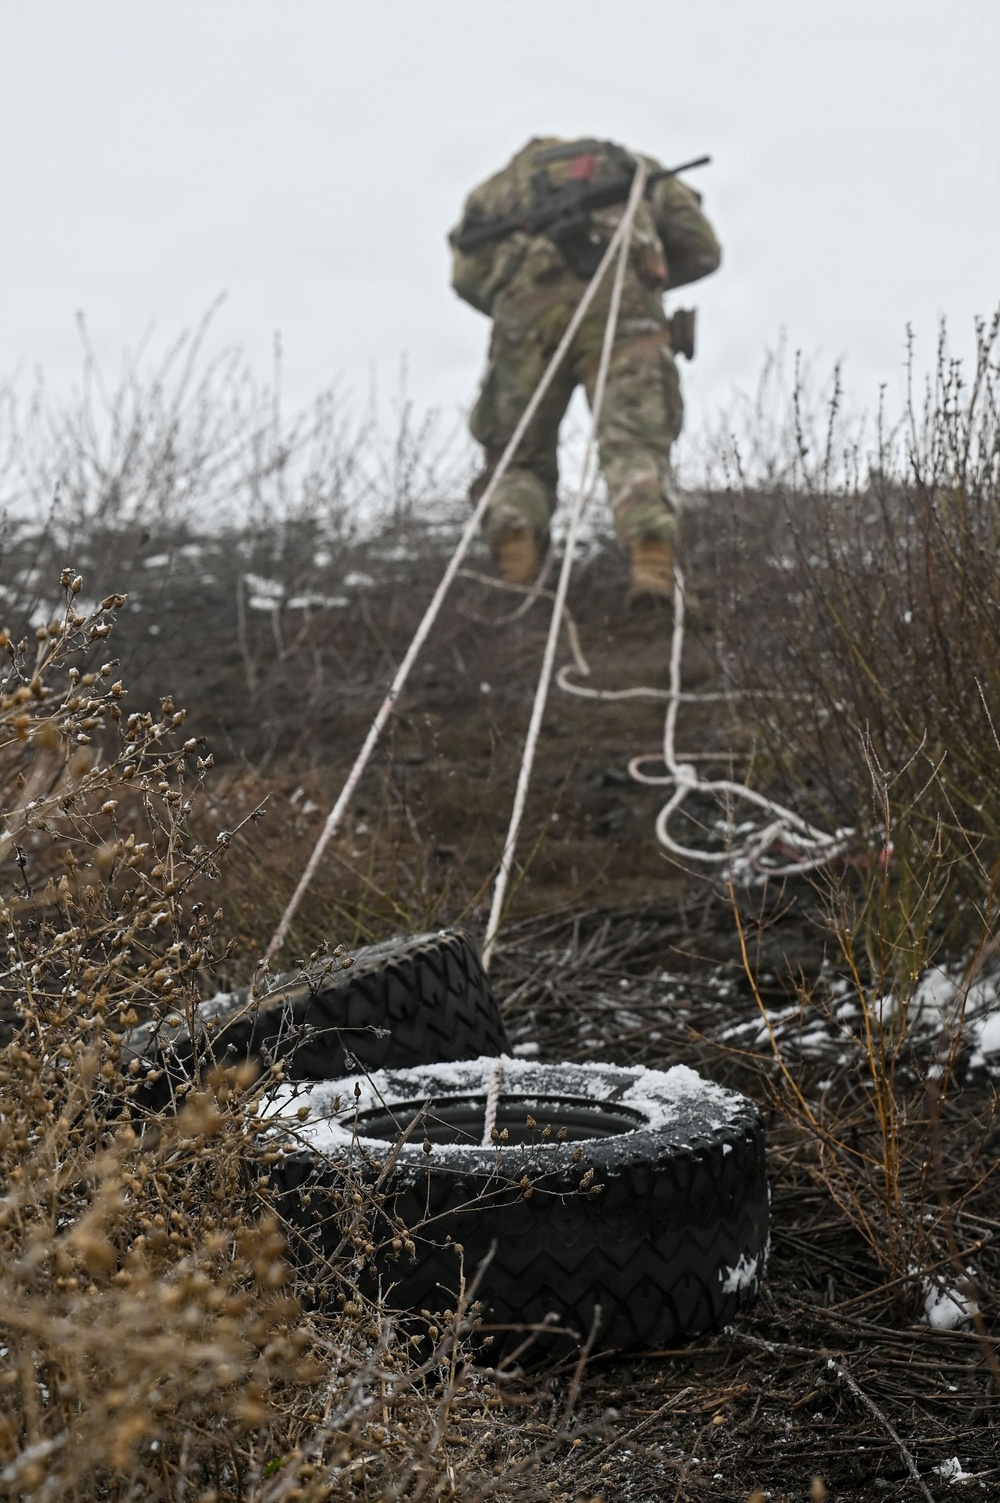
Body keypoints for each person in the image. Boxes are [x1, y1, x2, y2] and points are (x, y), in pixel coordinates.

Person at [449, 136, 721, 606]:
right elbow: (702, 249)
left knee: (516, 453)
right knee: (633, 441)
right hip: (624, 314)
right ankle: (652, 570)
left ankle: (517, 570)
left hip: (525, 318)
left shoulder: (497, 188)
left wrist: (517, 304)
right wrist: (644, 281)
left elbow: (466, 277)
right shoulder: (636, 169)